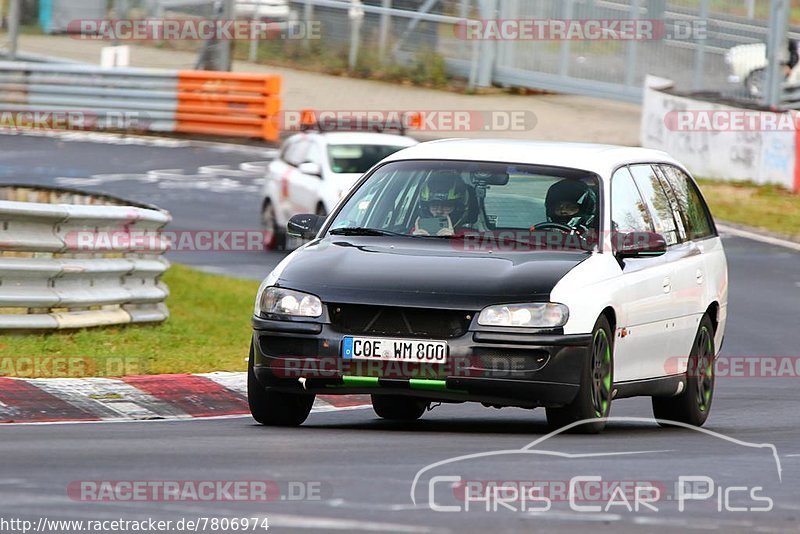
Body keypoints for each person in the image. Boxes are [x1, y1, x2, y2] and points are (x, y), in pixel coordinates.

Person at [412, 170, 469, 236]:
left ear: (458, 208)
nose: (439, 211)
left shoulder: (469, 239)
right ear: (426, 208)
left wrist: (453, 241)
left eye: (447, 205)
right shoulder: (414, 233)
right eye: (434, 205)